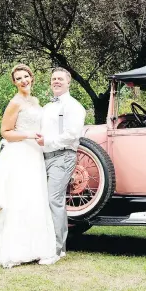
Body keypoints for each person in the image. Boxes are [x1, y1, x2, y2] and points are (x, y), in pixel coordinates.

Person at [0, 64, 58, 268]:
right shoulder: (15, 103)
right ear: (14, 82)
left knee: (35, 199)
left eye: (26, 76)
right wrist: (28, 135)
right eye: (19, 78)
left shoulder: (34, 101)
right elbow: (5, 132)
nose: (24, 80)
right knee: (19, 199)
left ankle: (36, 247)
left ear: (32, 78)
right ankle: (13, 249)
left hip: (35, 154)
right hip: (20, 153)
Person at [35, 67, 86, 260]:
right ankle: (44, 242)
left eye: (60, 79)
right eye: (53, 79)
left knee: (54, 200)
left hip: (63, 157)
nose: (56, 81)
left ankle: (58, 249)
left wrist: (47, 142)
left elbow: (72, 135)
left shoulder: (74, 106)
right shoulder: (48, 107)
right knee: (41, 200)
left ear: (68, 82)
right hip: (44, 157)